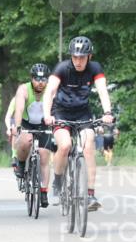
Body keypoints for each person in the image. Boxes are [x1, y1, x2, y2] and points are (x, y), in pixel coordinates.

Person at [42, 36, 115, 211]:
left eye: (82, 57)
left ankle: (90, 195)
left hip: (83, 113)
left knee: (88, 146)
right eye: (75, 57)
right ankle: (58, 182)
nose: (78, 61)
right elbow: (50, 92)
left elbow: (103, 92)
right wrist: (47, 114)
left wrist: (107, 113)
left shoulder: (95, 68)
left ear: (89, 56)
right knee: (65, 145)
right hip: (60, 112)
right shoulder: (62, 68)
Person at [11, 63, 54, 208]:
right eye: (37, 79)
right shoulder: (24, 89)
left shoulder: (51, 90)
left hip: (44, 124)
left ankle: (43, 192)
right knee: (25, 141)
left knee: (44, 155)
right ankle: (21, 164)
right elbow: (19, 109)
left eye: (44, 79)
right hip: (27, 123)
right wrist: (17, 127)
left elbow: (56, 108)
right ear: (31, 79)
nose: (40, 83)